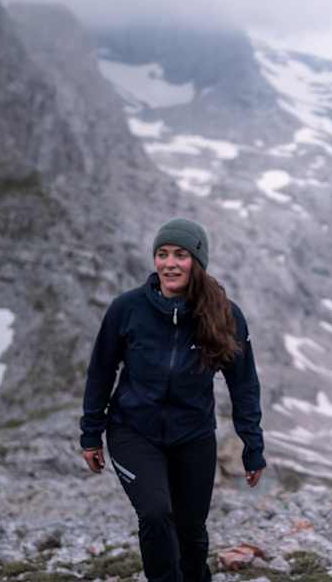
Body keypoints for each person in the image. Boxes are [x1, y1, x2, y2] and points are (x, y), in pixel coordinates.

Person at [79, 217, 266, 582]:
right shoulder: (127, 309)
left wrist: (252, 445)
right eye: (162, 254)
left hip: (192, 436)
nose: (169, 263)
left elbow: (244, 385)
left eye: (180, 254)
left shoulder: (225, 315)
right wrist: (91, 432)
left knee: (191, 533)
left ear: (197, 262)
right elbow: (101, 371)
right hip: (133, 432)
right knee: (155, 513)